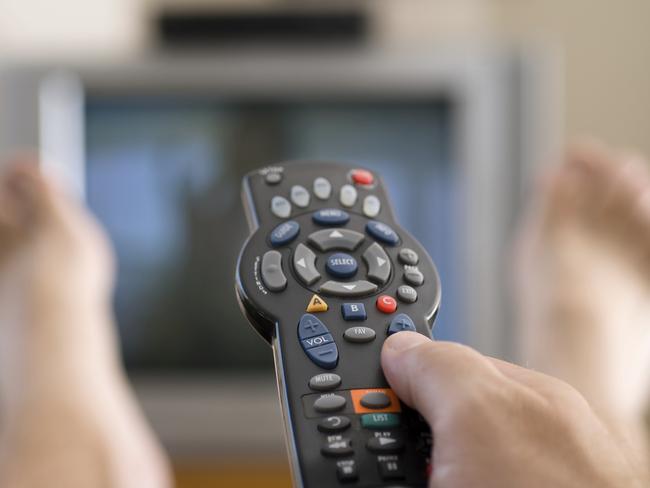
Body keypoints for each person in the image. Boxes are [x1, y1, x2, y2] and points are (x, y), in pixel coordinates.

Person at [0, 142, 648, 487]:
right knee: (578, 445)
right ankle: (585, 368)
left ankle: (80, 416)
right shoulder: (201, 204)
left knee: (68, 465)